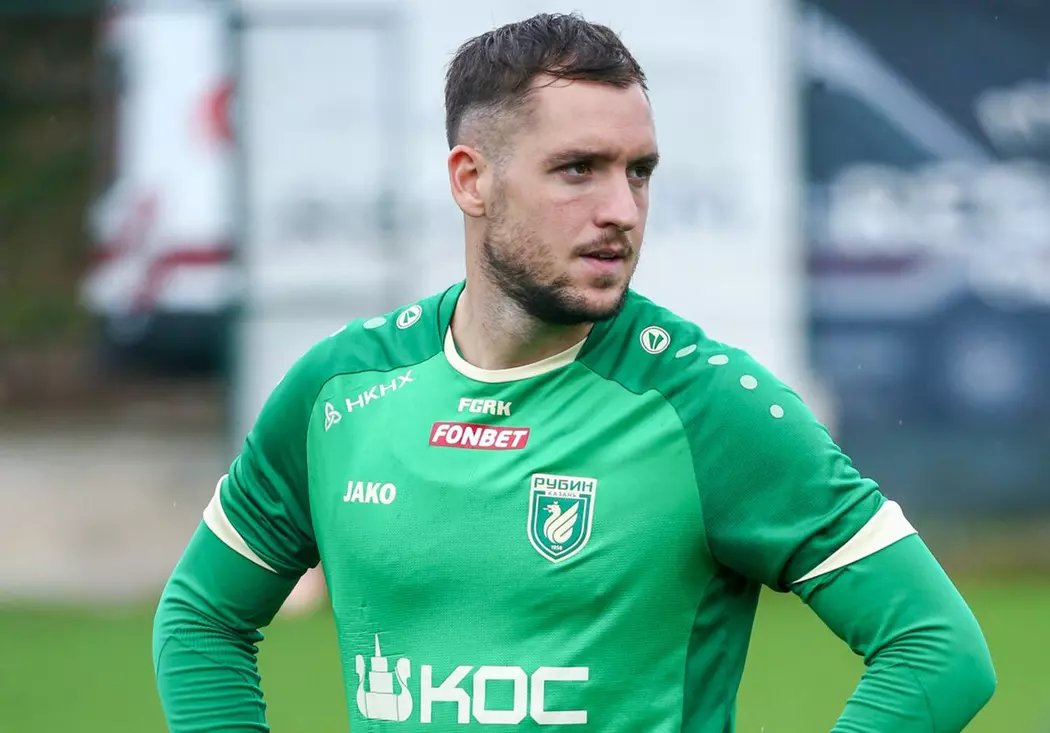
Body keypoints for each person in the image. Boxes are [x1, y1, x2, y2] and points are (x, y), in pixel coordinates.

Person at [153, 12, 996, 731]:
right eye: (578, 169)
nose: (621, 210)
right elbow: (200, 618)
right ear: (471, 180)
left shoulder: (706, 406)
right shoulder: (339, 391)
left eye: (639, 172)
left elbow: (937, 648)